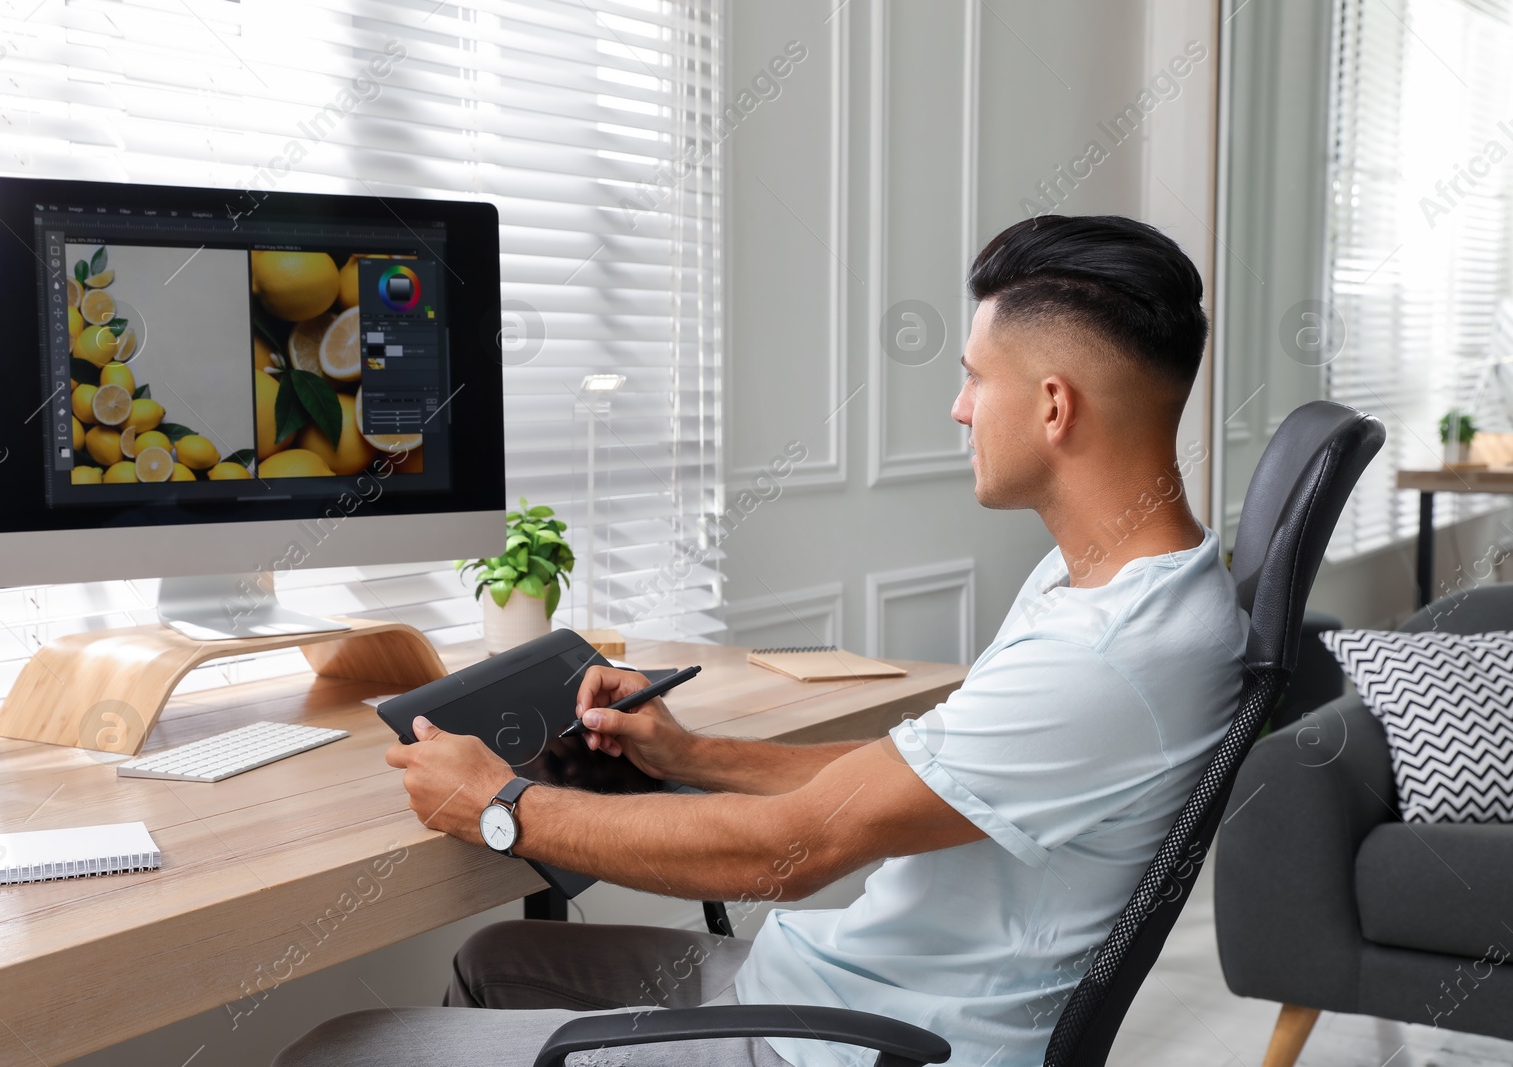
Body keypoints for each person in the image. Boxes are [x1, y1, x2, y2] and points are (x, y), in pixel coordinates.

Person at [273, 214, 1250, 1067]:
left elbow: (793, 849)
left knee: (334, 1049)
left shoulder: (1105, 654)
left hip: (852, 1044)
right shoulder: (1112, 583)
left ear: (1050, 403)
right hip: (837, 988)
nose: (956, 408)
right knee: (494, 960)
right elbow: (897, 777)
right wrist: (691, 752)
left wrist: (498, 806)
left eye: (971, 378)